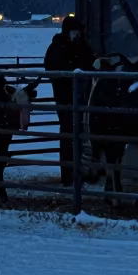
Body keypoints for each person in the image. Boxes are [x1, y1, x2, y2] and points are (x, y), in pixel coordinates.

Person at [44, 15, 95, 187]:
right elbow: (52, 66)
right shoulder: (59, 47)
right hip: (66, 96)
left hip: (79, 96)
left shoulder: (77, 46)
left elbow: (90, 59)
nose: (77, 34)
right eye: (75, 31)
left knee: (76, 135)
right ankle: (68, 173)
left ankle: (79, 171)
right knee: (68, 134)